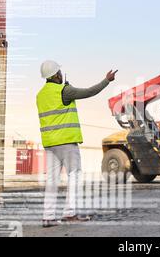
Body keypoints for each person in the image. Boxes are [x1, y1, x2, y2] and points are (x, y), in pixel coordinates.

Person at [36, 60, 117, 228]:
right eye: (59, 72)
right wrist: (106, 81)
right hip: (66, 142)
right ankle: (69, 213)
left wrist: (67, 89)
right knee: (75, 175)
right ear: (56, 74)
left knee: (52, 180)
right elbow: (89, 92)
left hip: (50, 143)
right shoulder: (64, 90)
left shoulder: (41, 95)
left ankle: (48, 217)